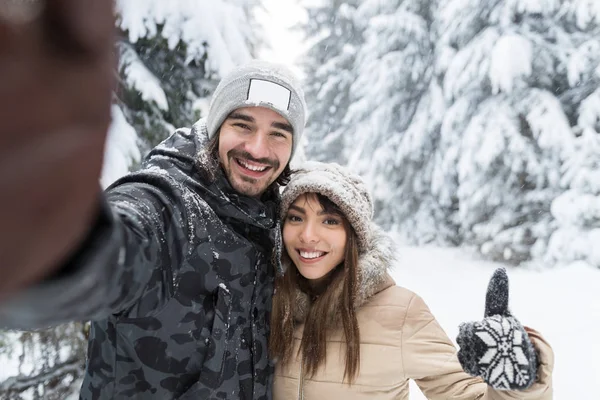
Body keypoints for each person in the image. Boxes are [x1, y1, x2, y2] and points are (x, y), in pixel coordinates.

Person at [0, 1, 307, 399]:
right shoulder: (170, 207)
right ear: (214, 128)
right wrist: (39, 234)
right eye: (241, 124)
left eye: (278, 134)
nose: (257, 148)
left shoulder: (280, 227)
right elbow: (108, 259)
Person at [270, 161, 554, 399]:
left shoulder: (401, 313)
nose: (308, 235)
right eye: (295, 218)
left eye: (329, 221)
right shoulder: (268, 301)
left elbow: (468, 394)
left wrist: (518, 384)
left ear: (354, 235)